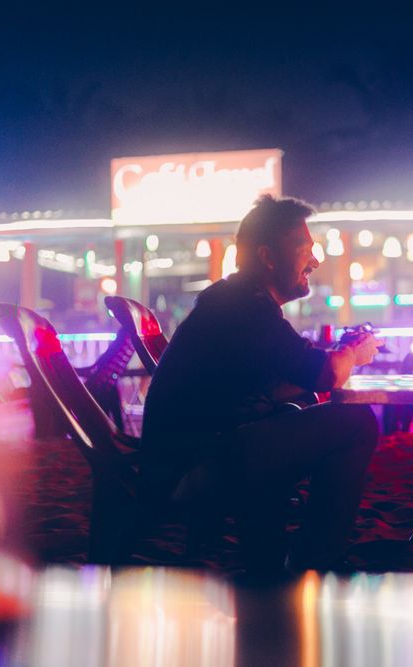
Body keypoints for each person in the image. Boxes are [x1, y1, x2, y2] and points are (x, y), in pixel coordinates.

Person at [141, 195, 380, 573]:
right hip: (190, 469)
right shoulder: (245, 307)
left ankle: (276, 560)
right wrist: (355, 351)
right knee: (356, 423)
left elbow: (280, 379)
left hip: (190, 454)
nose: (315, 263)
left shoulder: (234, 301)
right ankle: (315, 562)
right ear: (268, 257)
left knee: (297, 423)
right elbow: (324, 374)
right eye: (306, 252)